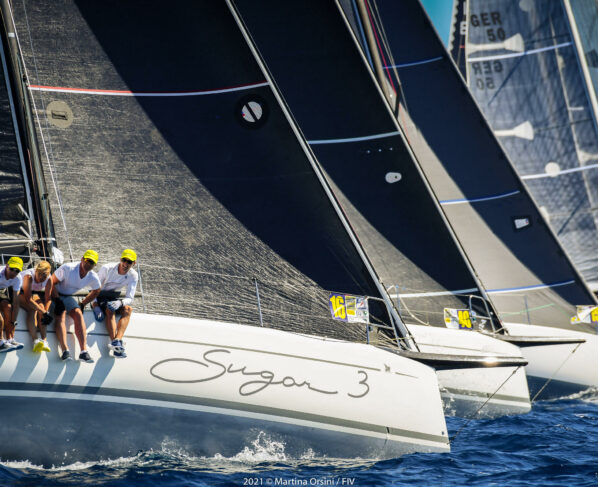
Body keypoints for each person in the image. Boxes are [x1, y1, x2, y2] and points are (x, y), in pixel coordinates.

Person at [51, 249, 101, 362]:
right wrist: (57, 300)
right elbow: (51, 283)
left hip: (67, 297)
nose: (89, 264)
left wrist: (83, 303)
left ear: (94, 265)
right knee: (61, 313)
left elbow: (97, 290)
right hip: (53, 294)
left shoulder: (93, 276)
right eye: (87, 260)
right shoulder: (68, 268)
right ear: (82, 259)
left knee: (78, 313)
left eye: (92, 263)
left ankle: (83, 352)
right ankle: (65, 351)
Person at [92, 249, 138, 358]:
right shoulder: (107, 268)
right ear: (120, 259)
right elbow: (94, 288)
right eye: (124, 260)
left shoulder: (133, 275)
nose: (125, 264)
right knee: (110, 309)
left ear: (134, 263)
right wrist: (95, 305)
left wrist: (120, 303)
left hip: (113, 297)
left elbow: (130, 298)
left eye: (129, 262)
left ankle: (117, 340)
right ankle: (116, 345)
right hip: (99, 296)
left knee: (128, 309)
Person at [18, 260, 53, 352]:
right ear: (36, 271)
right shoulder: (29, 276)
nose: (41, 278)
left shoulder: (49, 279)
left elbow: (48, 298)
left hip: (33, 292)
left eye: (44, 276)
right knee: (32, 309)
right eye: (40, 274)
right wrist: (44, 312)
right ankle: (35, 340)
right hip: (17, 291)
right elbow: (28, 300)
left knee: (42, 308)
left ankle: (44, 341)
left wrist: (46, 312)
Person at [0, 256, 24, 352]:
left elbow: (16, 302)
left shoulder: (18, 278)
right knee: (0, 320)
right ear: (7, 266)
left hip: (1, 290)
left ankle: (9, 339)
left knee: (9, 309)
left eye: (17, 271)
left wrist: (14, 320)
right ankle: (1, 342)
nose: (14, 272)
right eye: (12, 269)